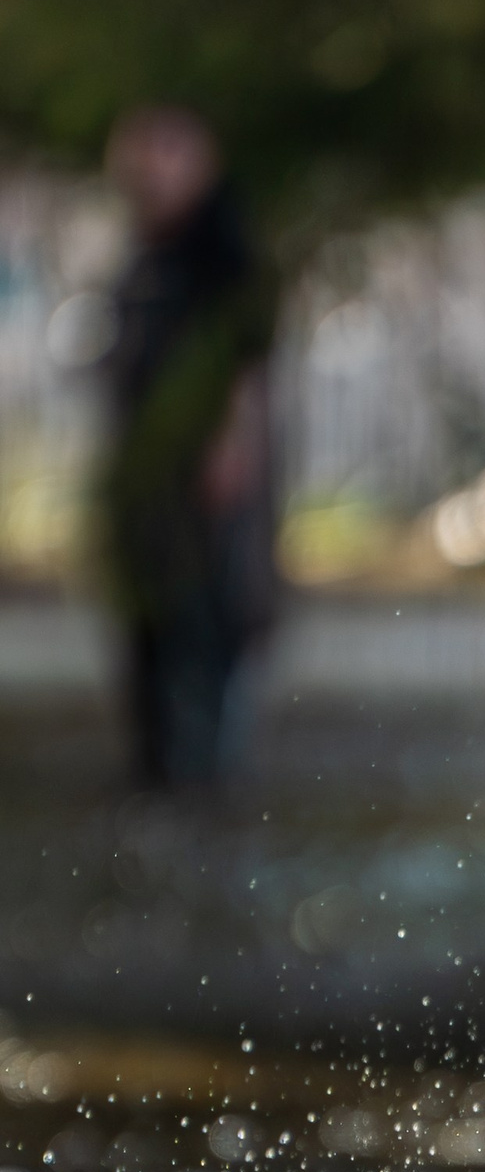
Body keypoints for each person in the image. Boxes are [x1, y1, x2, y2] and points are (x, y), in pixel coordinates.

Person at [93, 107, 279, 788]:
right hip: (145, 487)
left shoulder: (224, 255)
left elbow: (247, 361)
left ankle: (200, 780)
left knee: (203, 632)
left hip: (200, 488)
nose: (151, 167)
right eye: (142, 151)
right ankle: (161, 779)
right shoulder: (145, 252)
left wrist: (231, 442)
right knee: (149, 638)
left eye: (168, 150)